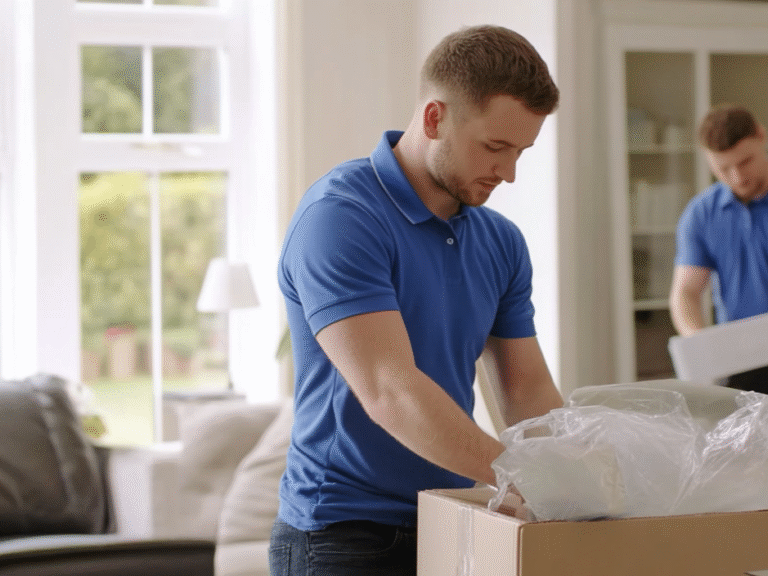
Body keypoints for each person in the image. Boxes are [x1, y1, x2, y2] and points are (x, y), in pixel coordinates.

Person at [271, 24, 564, 576]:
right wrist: (518, 476)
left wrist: (573, 474)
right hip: (342, 533)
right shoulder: (341, 217)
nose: (509, 173)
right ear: (434, 118)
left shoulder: (500, 241)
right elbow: (389, 388)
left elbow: (524, 389)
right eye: (495, 147)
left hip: (454, 517)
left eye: (521, 151)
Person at [669, 103, 768, 393]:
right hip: (740, 362)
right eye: (724, 168)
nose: (738, 177)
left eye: (745, 161)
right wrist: (703, 347)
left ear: (761, 137)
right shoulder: (701, 214)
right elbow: (686, 293)